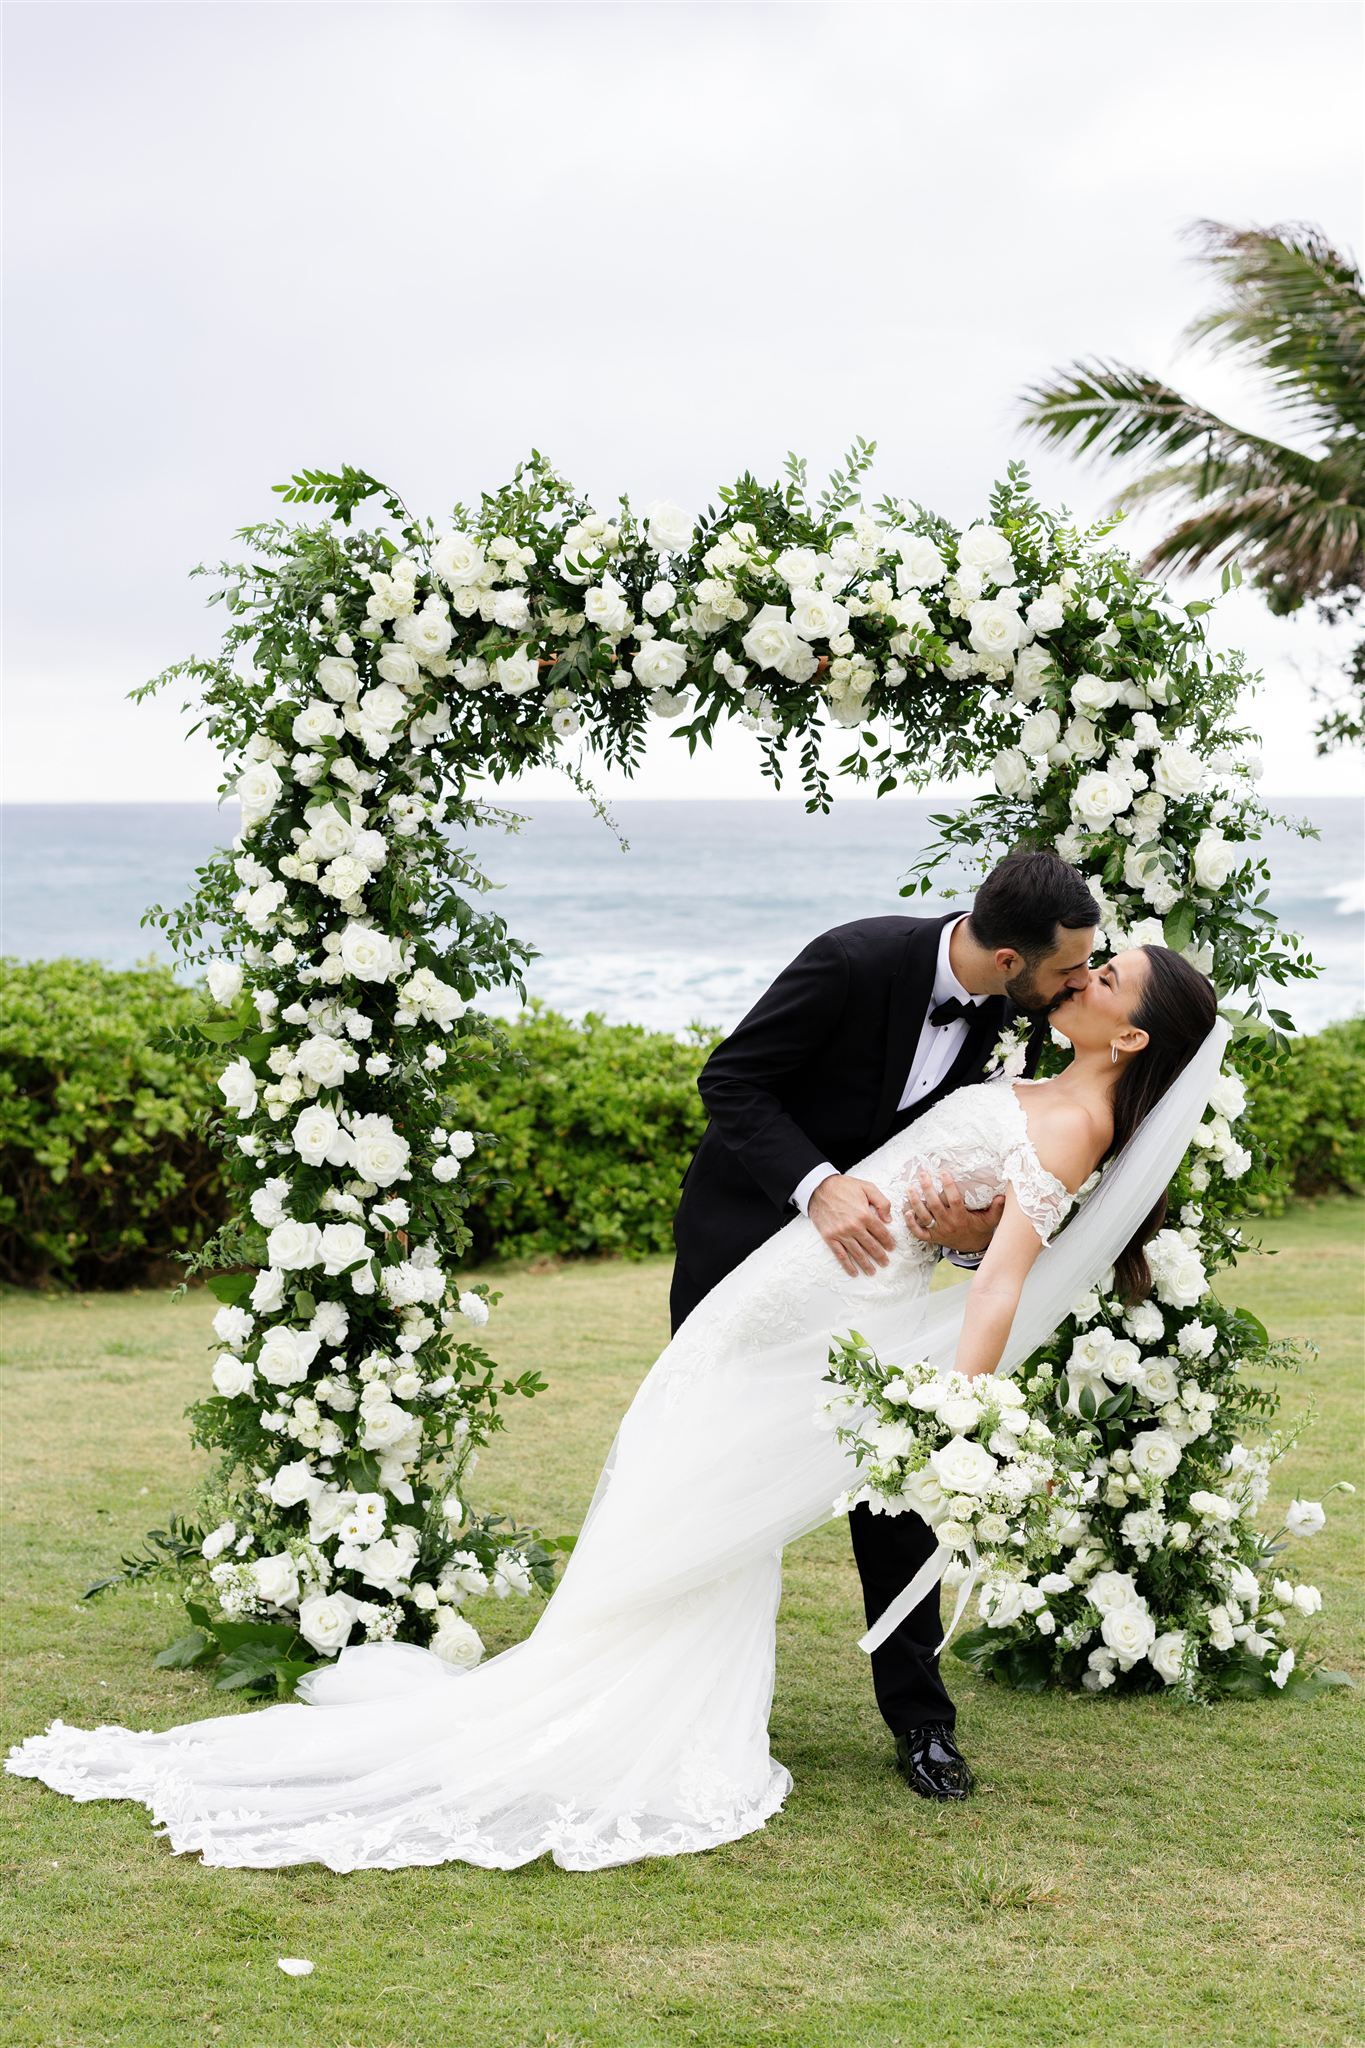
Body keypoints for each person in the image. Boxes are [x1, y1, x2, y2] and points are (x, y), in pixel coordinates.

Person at [7, 941, 1224, 1876]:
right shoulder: (1034, 1077)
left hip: (826, 1317)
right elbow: (954, 1203)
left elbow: (1005, 1275)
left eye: (1106, 975)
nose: (1085, 972)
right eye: (1087, 956)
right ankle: (591, 1671)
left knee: (690, 1488)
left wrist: (957, 1413)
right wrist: (940, 1224)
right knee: (669, 1466)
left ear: (1130, 1035)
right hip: (787, 1286)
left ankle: (611, 1700)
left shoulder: (1072, 1123)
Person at [670, 849, 1100, 1800]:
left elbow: (967, 1166)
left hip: (876, 1288)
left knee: (895, 1483)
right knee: (710, 1472)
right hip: (747, 1257)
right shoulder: (853, 961)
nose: (1079, 982)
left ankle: (920, 1722)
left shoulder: (1015, 1022)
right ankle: (683, 1694)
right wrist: (816, 1189)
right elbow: (731, 1082)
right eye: (1068, 968)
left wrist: (961, 1238)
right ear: (1006, 961)